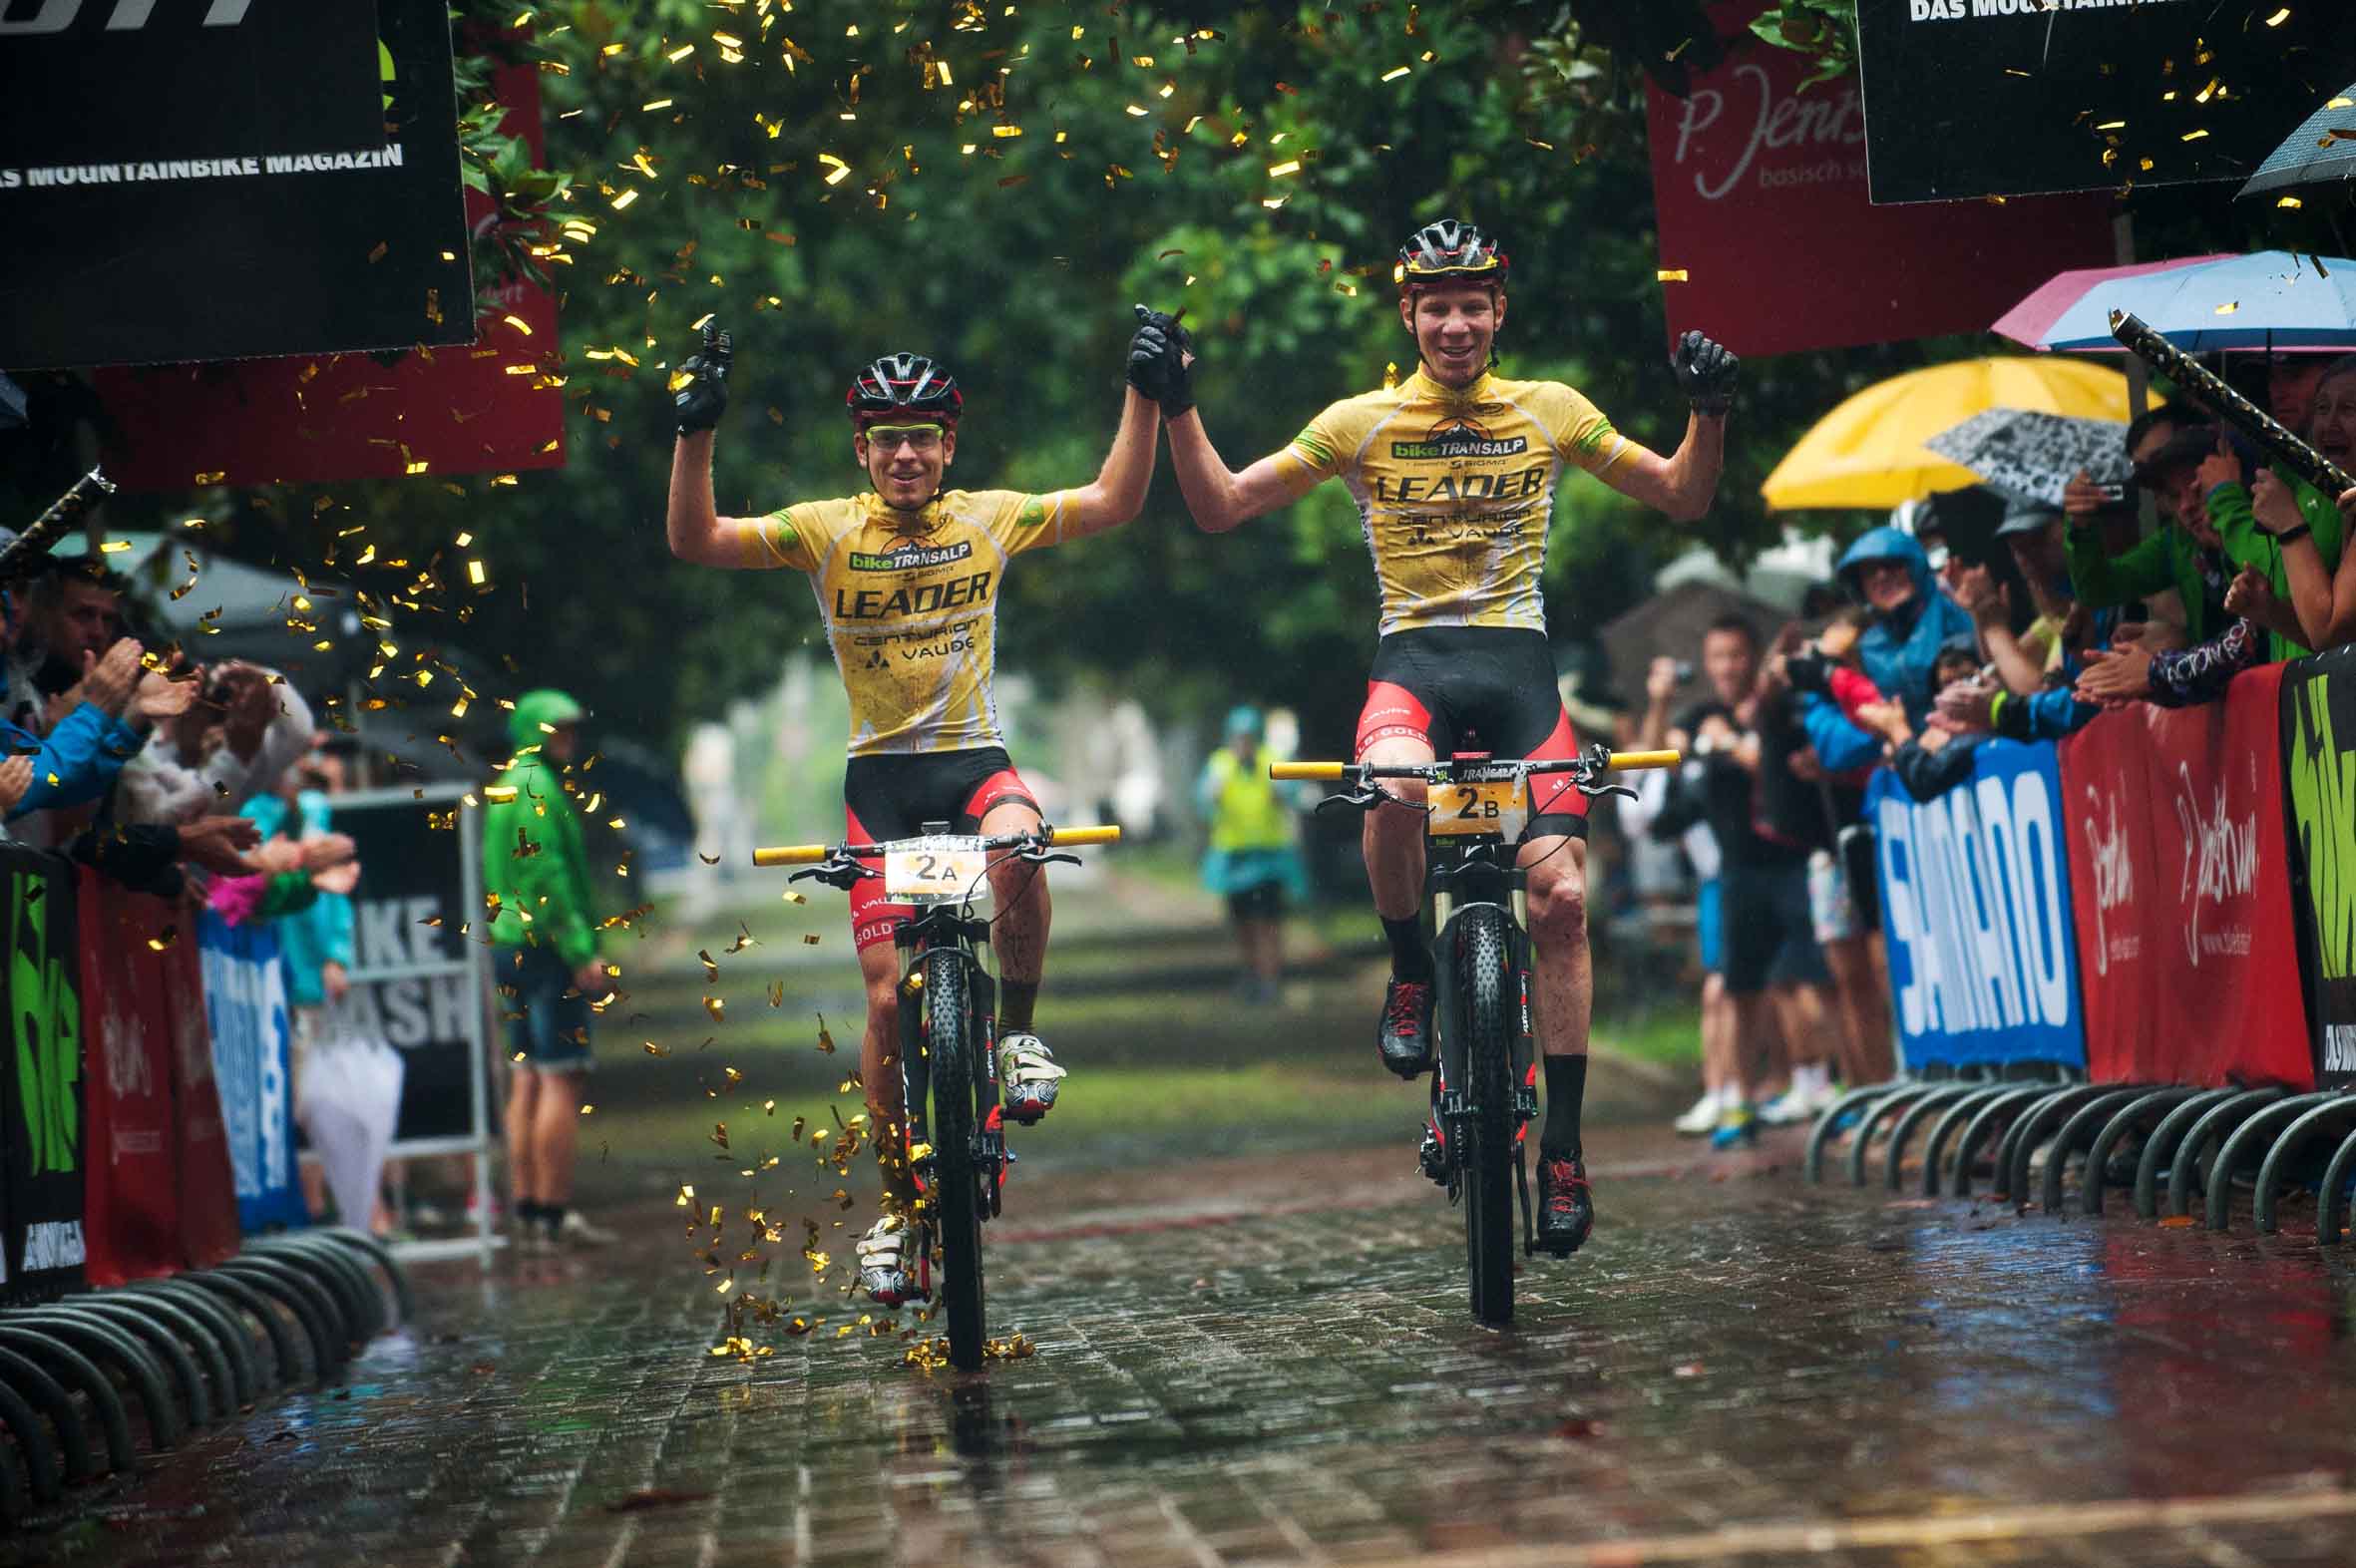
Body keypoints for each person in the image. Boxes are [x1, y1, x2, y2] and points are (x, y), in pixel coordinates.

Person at [1142, 217, 1737, 1252]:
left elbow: (1683, 494)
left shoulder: (1549, 410)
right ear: (1408, 315)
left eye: (1472, 304)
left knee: (1558, 902)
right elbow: (1222, 506)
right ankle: (1411, 963)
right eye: (1434, 306)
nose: (1454, 323)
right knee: (1392, 785)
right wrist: (1179, 407)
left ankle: (1564, 1148)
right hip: (1412, 665)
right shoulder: (1361, 421)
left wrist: (1709, 409)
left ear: (1498, 311)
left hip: (1517, 668)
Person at [663, 324, 1160, 1305]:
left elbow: (1115, 502)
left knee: (1023, 840)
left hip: (973, 764)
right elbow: (695, 540)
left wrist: (1143, 396)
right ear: (861, 449)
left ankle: (1016, 1032)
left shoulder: (991, 517)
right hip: (879, 782)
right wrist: (695, 432)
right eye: (886, 438)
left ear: (948, 446)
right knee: (888, 1003)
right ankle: (899, 1206)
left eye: (923, 437)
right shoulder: (825, 530)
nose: (904, 454)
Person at [481, 688, 616, 1254]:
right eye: (559, 728)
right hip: (546, 948)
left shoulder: (508, 783)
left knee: (529, 1074)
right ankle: (554, 1211)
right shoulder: (538, 787)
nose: (570, 738)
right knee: (562, 1074)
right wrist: (582, 948)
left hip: (508, 943)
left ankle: (529, 1209)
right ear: (537, 729)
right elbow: (549, 877)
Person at [2063, 402, 2229, 644]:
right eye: (2143, 470)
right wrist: (2079, 527)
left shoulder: (2257, 511)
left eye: (2164, 456)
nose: (2157, 475)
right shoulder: (2177, 539)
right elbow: (2097, 589)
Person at [1196, 705, 1307, 1005]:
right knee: (1243, 924)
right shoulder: (1220, 764)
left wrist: (1279, 790)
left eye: (1248, 737)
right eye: (1238, 737)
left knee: (1269, 923)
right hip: (1234, 858)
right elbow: (1203, 802)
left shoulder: (1271, 761)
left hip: (1269, 857)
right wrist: (1212, 793)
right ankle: (1252, 974)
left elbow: (1291, 794)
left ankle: (1271, 979)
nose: (1243, 743)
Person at [1833, 522, 1978, 724]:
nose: (1882, 576)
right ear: (1860, 588)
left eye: (1892, 565)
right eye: (1869, 572)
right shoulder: (1870, 645)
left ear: (1915, 566)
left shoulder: (1953, 605)